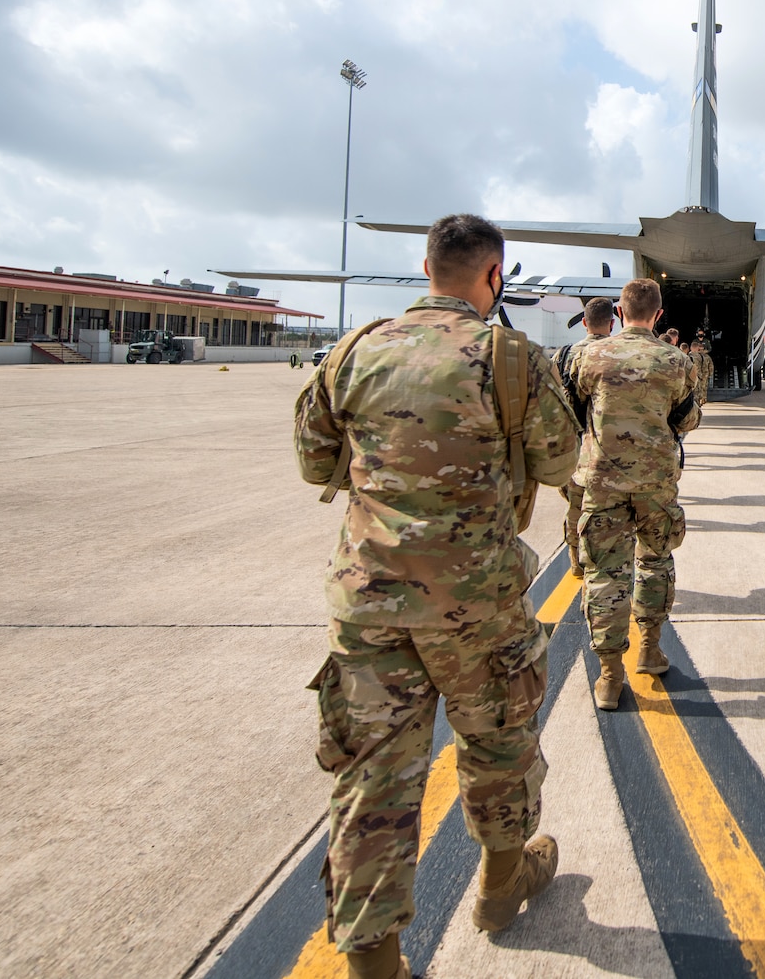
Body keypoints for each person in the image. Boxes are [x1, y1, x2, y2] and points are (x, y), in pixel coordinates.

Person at [294, 214, 579, 977]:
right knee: (499, 743)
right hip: (477, 606)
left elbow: (314, 460)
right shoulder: (511, 357)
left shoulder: (356, 350)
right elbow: (560, 461)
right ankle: (500, 884)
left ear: (426, 269)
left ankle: (375, 965)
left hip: (371, 606)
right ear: (495, 275)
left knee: (372, 780)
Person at [573, 277, 700, 710]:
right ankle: (649, 649)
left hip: (602, 482)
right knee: (655, 561)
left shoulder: (590, 356)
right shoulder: (676, 360)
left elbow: (576, 407)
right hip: (655, 484)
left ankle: (610, 677)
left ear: (619, 313)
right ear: (658, 315)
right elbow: (687, 420)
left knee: (604, 574)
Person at [553, 297, 615, 579]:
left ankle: (577, 562)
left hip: (572, 447)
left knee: (575, 507)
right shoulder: (616, 354)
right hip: (607, 448)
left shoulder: (563, 355)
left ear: (584, 322)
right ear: (612, 324)